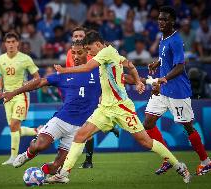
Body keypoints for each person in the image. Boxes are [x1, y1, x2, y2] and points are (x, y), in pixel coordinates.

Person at [47, 31, 191, 184]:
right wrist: (138, 81)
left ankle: (178, 165)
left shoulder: (105, 52)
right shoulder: (112, 51)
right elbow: (130, 65)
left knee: (146, 142)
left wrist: (63, 70)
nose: (88, 53)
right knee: (80, 136)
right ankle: (63, 174)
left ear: (97, 45)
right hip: (105, 108)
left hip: (122, 108)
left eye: (89, 49)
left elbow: (87, 67)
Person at [0, 40, 101, 176]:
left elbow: (120, 79)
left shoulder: (98, 72)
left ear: (87, 53)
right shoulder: (64, 73)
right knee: (39, 146)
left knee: (56, 167)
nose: (75, 56)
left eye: (79, 53)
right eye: (73, 53)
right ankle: (28, 154)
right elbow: (40, 82)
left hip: (80, 129)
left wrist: (137, 80)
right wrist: (14, 92)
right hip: (61, 120)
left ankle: (37, 175)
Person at [144, 6, 211, 176]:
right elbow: (165, 57)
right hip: (163, 89)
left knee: (187, 127)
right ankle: (168, 158)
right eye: (159, 18)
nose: (161, 22)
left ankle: (206, 161)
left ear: (172, 22)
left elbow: (180, 66)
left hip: (178, 91)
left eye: (165, 19)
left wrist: (165, 77)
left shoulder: (175, 40)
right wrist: (156, 63)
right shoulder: (163, 37)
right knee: (148, 123)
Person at [66, 27, 119, 169]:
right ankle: (109, 127)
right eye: (75, 35)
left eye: (80, 35)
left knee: (85, 126)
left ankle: (88, 160)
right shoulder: (70, 53)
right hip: (80, 91)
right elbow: (70, 72)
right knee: (85, 125)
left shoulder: (94, 54)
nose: (77, 38)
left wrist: (101, 93)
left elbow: (104, 74)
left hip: (94, 90)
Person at [0, 32, 40, 165]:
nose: (10, 45)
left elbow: (37, 77)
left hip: (21, 95)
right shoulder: (1, 58)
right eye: (8, 42)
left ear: (17, 43)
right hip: (6, 96)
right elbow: (2, 75)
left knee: (14, 124)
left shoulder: (25, 58)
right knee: (13, 128)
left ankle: (13, 157)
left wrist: (25, 85)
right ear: (5, 44)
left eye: (13, 42)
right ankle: (37, 131)